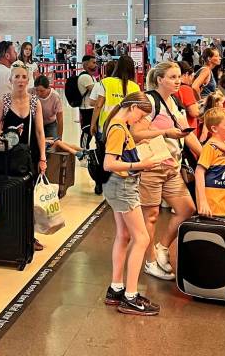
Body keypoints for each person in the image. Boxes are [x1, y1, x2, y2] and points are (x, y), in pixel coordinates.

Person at [131, 62, 202, 280]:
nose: (178, 80)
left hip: (173, 166)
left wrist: (208, 156)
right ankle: (149, 261)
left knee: (187, 208)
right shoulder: (149, 101)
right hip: (152, 165)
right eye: (172, 77)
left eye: (179, 76)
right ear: (160, 79)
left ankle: (162, 247)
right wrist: (165, 133)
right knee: (150, 216)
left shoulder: (175, 102)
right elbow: (135, 133)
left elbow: (186, 133)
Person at [100, 91, 161, 316]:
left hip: (117, 186)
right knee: (142, 237)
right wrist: (141, 164)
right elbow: (109, 163)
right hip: (123, 186)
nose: (141, 120)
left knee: (123, 235)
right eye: (141, 115)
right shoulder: (118, 127)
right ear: (133, 107)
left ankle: (116, 288)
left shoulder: (116, 124)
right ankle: (131, 295)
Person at [0, 62, 48, 251]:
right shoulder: (4, 101)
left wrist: (42, 158)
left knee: (29, 196)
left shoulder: (34, 102)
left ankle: (29, 236)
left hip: (28, 156)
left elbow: (40, 132)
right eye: (17, 77)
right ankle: (11, 233)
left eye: (24, 77)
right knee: (10, 194)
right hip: (8, 157)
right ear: (10, 80)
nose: (21, 80)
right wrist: (9, 132)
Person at [195, 107, 225, 219]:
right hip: (212, 203)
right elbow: (199, 172)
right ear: (214, 129)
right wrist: (202, 201)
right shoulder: (210, 146)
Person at [89, 55, 141, 140]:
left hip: (105, 126)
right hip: (125, 127)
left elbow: (98, 105)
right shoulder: (135, 87)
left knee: (104, 152)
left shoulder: (106, 82)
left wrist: (93, 124)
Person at [77, 55, 97, 149]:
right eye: (93, 63)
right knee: (87, 131)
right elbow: (95, 90)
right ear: (86, 64)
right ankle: (83, 152)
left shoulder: (91, 77)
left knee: (92, 131)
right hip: (86, 108)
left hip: (92, 107)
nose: (95, 65)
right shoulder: (85, 77)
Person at [34, 75, 63, 139]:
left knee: (53, 143)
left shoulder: (55, 96)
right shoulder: (31, 92)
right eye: (36, 90)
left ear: (48, 88)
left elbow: (60, 119)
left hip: (50, 123)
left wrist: (60, 137)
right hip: (35, 123)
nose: (38, 93)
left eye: (42, 91)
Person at [173, 62, 200, 130]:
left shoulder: (170, 89)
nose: (191, 80)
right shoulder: (185, 89)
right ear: (186, 74)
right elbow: (194, 112)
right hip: (187, 129)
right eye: (191, 76)